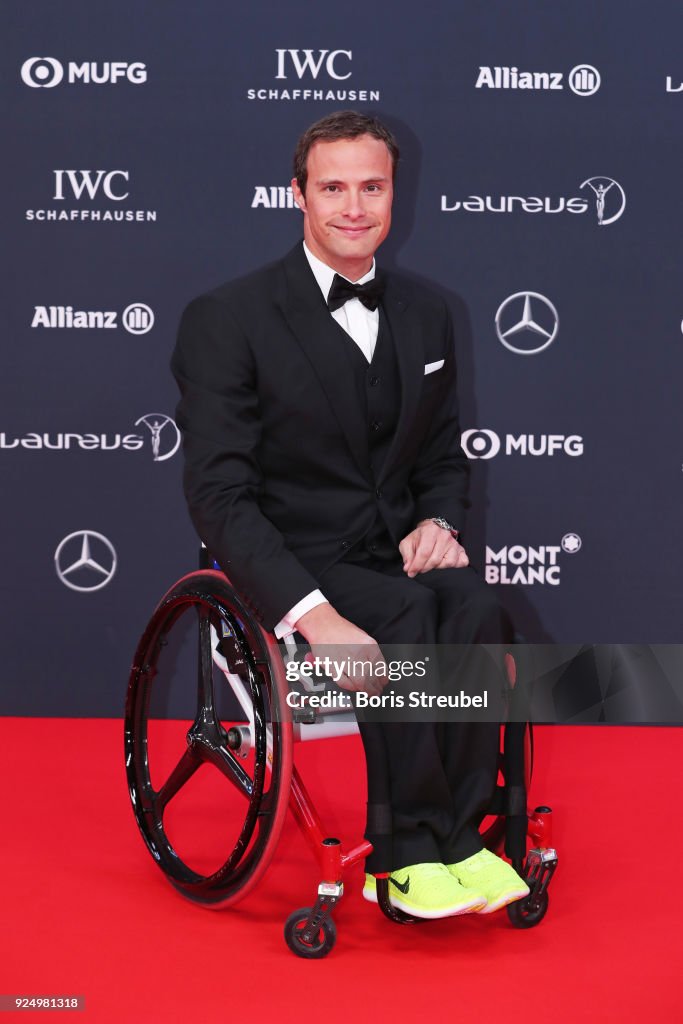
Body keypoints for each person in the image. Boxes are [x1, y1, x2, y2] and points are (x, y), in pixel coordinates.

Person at [172, 110, 529, 920]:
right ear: (296, 194)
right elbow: (219, 494)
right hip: (293, 555)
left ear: (394, 193)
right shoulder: (227, 318)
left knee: (473, 605)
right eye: (332, 187)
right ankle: (404, 852)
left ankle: (460, 836)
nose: (354, 207)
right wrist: (314, 615)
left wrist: (438, 520)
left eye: (372, 186)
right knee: (403, 613)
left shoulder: (428, 313)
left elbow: (442, 453)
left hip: (389, 549)